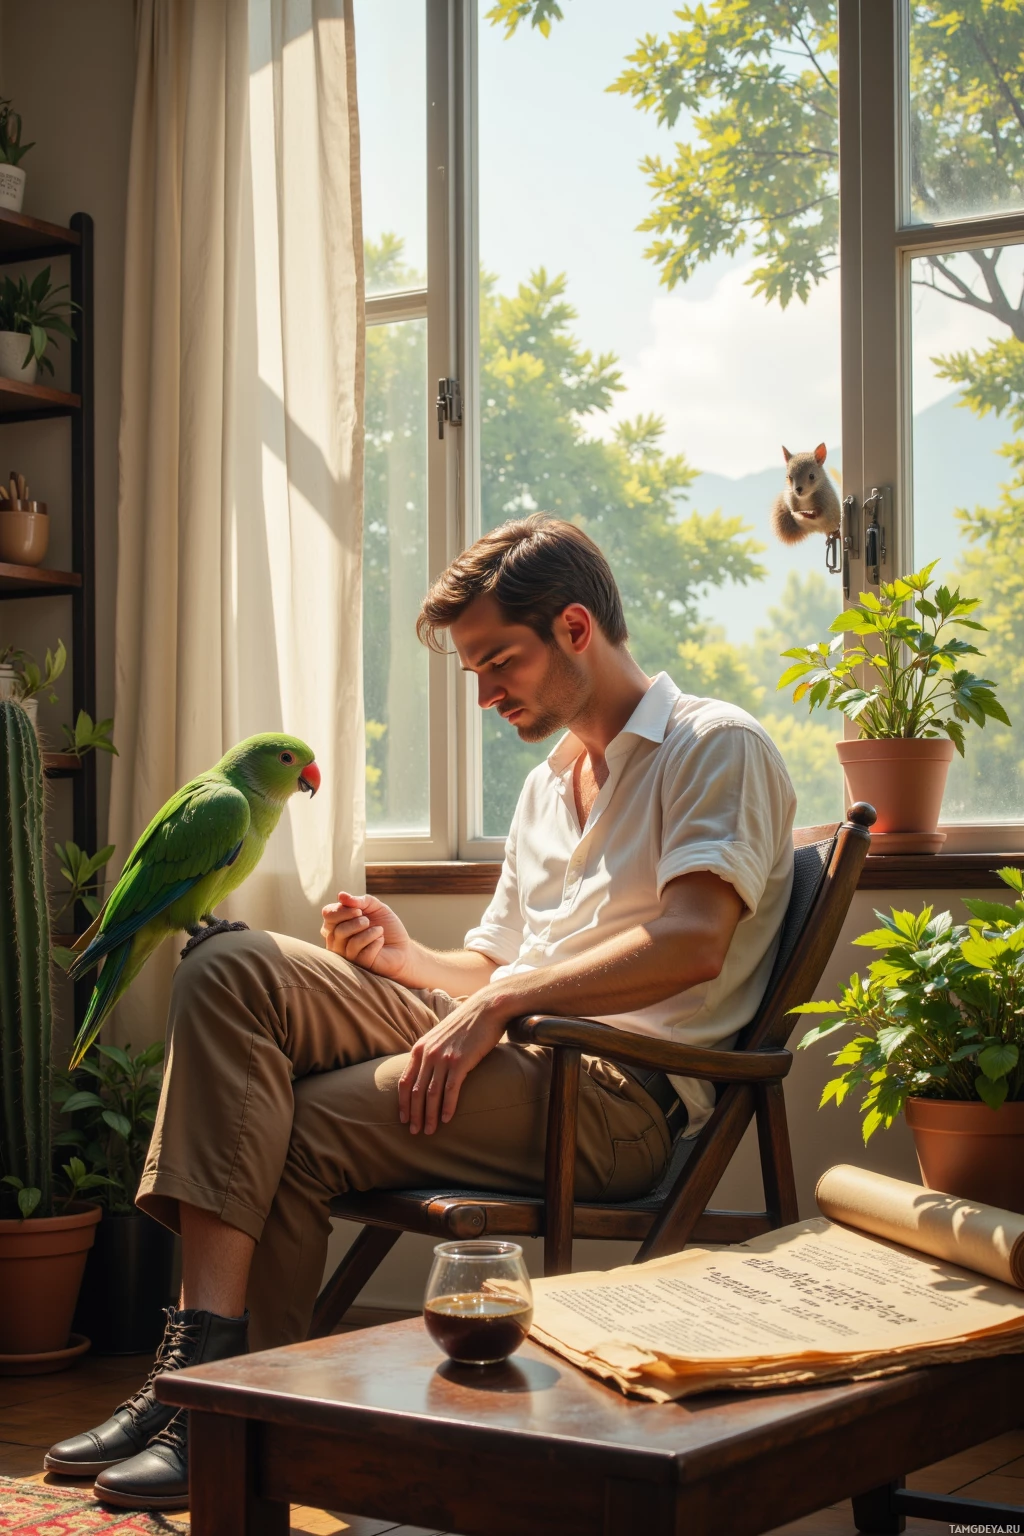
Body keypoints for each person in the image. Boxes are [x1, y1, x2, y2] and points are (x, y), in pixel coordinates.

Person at [46, 514, 796, 1510]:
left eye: (499, 663)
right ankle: (195, 1385)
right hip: (515, 1049)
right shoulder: (545, 787)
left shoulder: (715, 744)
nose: (485, 695)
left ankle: (224, 1410)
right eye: (472, 672)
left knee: (292, 1128)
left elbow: (692, 939)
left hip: (614, 1096)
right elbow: (487, 965)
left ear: (576, 628)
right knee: (230, 964)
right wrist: (403, 958)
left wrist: (507, 1000)